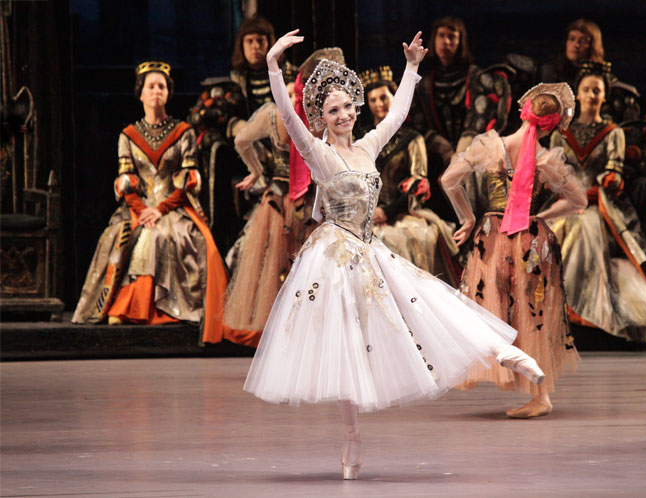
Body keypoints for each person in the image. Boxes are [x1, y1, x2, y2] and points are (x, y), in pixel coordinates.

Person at [244, 29, 546, 480]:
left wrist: (410, 69)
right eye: (333, 110)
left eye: (348, 106)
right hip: (334, 258)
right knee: (344, 345)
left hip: (369, 249)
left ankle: (502, 350)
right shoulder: (320, 155)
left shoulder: (367, 147)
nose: (344, 114)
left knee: (427, 303)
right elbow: (289, 120)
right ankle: (351, 436)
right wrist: (272, 67)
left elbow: (399, 115)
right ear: (321, 118)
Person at [441, 83, 587, 418]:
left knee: (497, 308)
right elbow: (578, 200)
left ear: (524, 111)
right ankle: (539, 393)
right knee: (530, 313)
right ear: (550, 123)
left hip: (493, 238)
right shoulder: (544, 160)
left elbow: (450, 180)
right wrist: (543, 216)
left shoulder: (490, 147)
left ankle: (539, 395)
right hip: (529, 240)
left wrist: (467, 217)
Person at [72, 61, 235, 345]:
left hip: (174, 204)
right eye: (151, 86)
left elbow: (188, 178)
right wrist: (142, 210)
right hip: (140, 205)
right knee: (121, 235)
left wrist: (160, 209)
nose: (156, 91)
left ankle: (160, 307)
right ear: (141, 93)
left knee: (172, 236)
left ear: (168, 93)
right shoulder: (128, 135)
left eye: (162, 86)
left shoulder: (183, 131)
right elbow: (126, 179)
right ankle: (123, 306)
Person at [550, 62, 646, 343]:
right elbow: (551, 173)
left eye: (597, 90)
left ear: (604, 96)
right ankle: (552, 309)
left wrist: (609, 183)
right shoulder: (560, 132)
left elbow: (615, 174)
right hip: (566, 203)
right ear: (577, 95)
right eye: (587, 90)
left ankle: (580, 311)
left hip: (600, 209)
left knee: (585, 227)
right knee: (551, 229)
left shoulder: (613, 133)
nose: (592, 95)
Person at [223, 67, 315, 336]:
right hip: (282, 198)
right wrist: (257, 170)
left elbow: (242, 141)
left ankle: (300, 325)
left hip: (303, 198)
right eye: (285, 95)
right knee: (275, 261)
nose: (290, 101)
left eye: (293, 95)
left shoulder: (295, 115)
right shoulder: (293, 116)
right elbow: (240, 140)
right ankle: (280, 330)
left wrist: (256, 170)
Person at [359, 65, 460, 284]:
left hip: (404, 212)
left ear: (394, 98)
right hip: (365, 213)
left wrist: (387, 210)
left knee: (409, 239)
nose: (379, 104)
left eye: (384, 98)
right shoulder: (362, 138)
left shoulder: (412, 139)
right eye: (374, 100)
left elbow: (417, 184)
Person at [409, 16, 512, 220]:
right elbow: (417, 125)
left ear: (460, 42)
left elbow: (479, 118)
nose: (446, 42)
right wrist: (445, 150)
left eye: (452, 37)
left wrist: (460, 155)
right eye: (441, 36)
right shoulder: (424, 82)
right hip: (437, 156)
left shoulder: (476, 77)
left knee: (473, 175)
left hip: (474, 152)